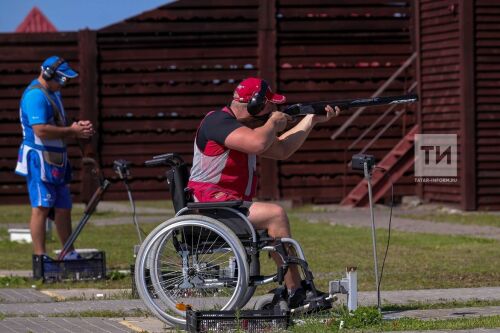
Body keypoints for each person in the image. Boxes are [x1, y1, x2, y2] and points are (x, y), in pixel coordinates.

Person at [187, 77, 340, 307]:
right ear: (255, 105)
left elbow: (282, 149)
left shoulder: (242, 129)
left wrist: (310, 120)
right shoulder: (218, 121)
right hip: (210, 205)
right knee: (275, 214)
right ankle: (295, 291)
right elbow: (258, 144)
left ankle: (295, 289)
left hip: (225, 205)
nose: (274, 110)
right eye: (270, 105)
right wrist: (273, 123)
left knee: (274, 215)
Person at [15, 56, 94, 260]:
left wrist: (78, 128)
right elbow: (40, 130)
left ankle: (68, 253)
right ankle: (40, 258)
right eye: (61, 79)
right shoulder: (35, 96)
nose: (63, 84)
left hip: (56, 158)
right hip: (39, 158)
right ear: (48, 74)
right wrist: (72, 131)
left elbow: (58, 123)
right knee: (41, 207)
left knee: (63, 206)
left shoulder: (53, 93)